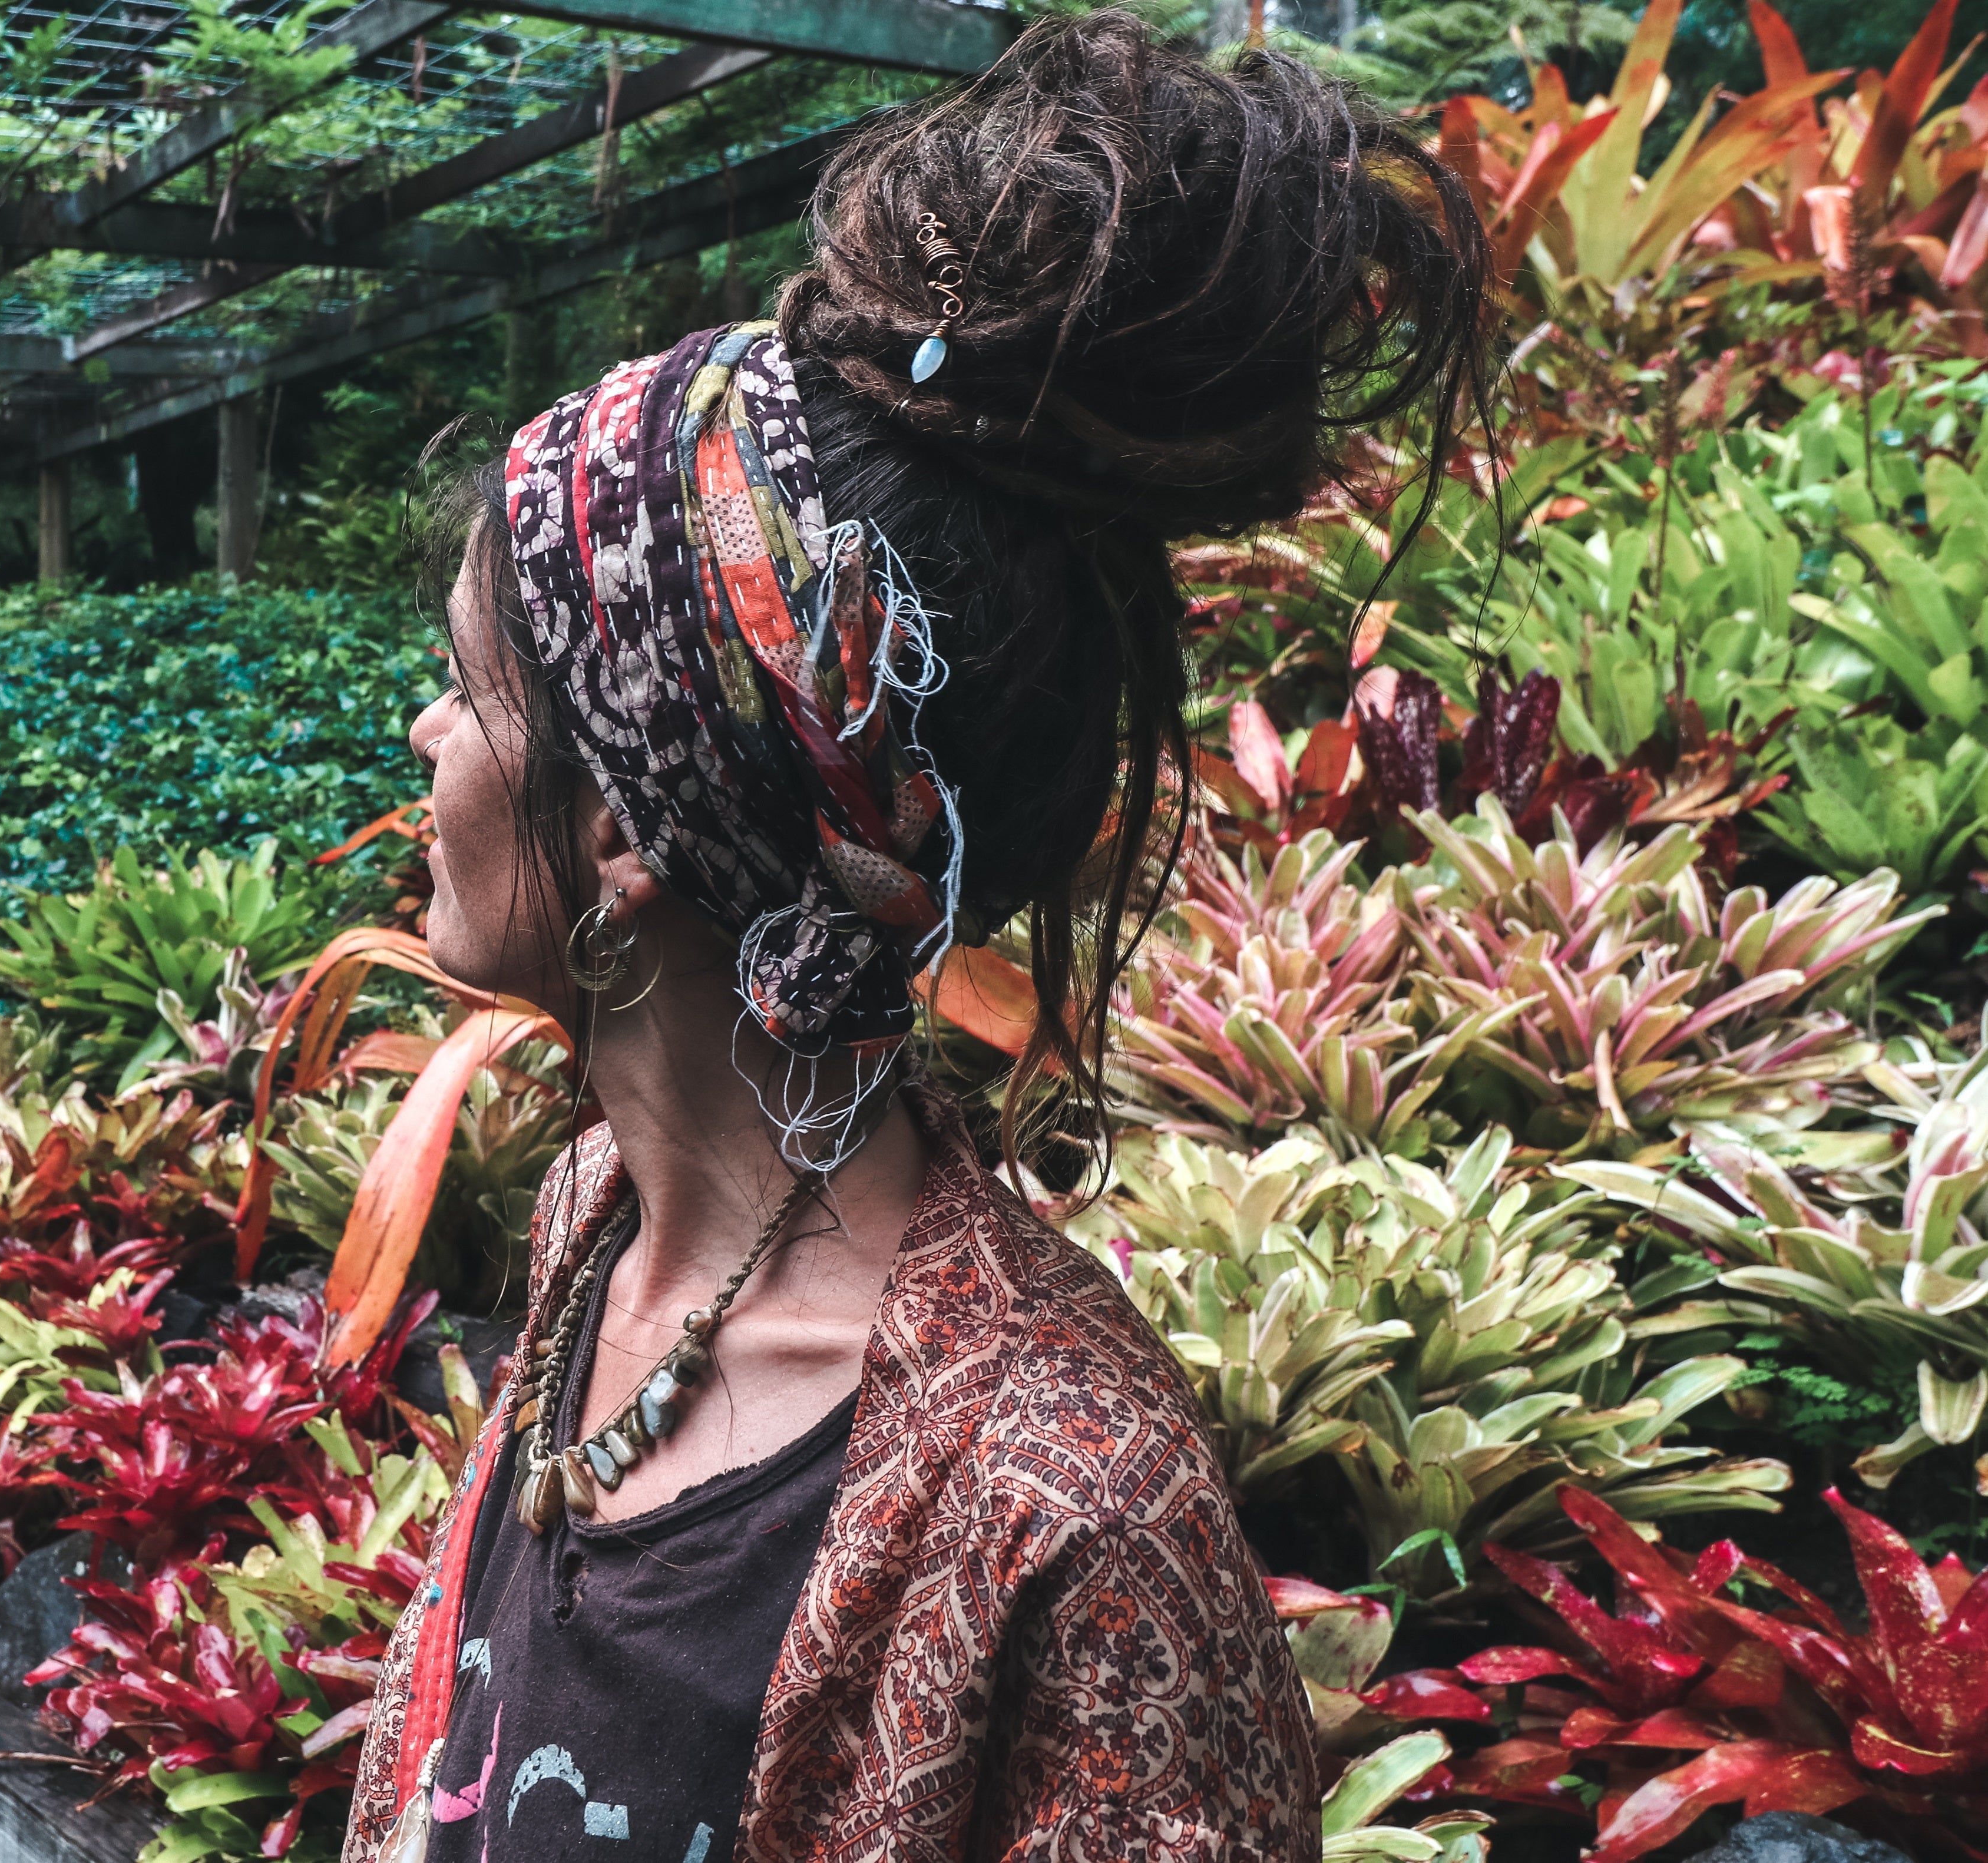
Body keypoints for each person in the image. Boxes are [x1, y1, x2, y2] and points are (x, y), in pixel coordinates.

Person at [342, 12, 1488, 1859]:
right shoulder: (596, 1231)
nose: (425, 738)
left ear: (633, 824)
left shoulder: (1073, 1511)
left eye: (469, 688)